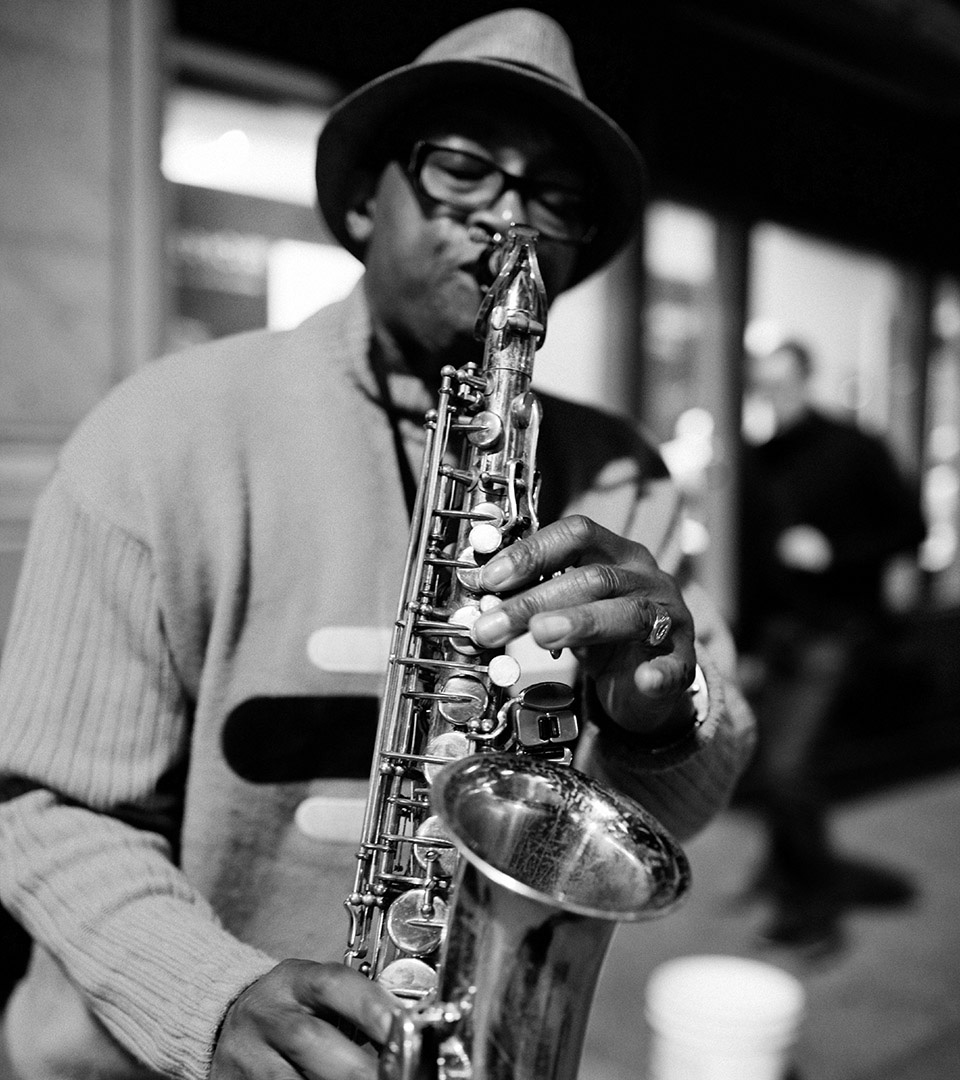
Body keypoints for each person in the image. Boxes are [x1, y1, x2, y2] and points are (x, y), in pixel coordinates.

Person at [0, 10, 754, 1080]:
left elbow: (690, 798)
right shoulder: (163, 430)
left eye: (555, 196)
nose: (508, 217)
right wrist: (207, 998)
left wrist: (659, 719)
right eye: (461, 170)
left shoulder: (622, 474)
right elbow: (41, 808)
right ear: (365, 200)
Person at [737, 337, 926, 955]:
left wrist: (835, 555)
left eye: (784, 381)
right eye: (765, 383)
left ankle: (815, 905)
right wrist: (747, 640)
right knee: (770, 767)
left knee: (789, 772)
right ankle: (788, 875)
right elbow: (756, 559)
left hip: (835, 631)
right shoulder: (760, 458)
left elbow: (912, 528)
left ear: (806, 378)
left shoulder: (855, 447)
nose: (775, 394)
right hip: (780, 633)